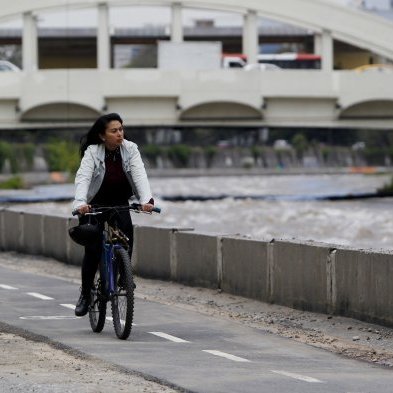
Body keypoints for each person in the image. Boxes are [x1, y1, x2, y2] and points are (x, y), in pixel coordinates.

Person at [72, 113, 154, 316]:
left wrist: (146, 200)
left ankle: (124, 276)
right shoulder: (92, 151)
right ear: (102, 135)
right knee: (92, 249)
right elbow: (83, 177)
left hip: (119, 202)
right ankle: (85, 293)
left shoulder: (130, 149)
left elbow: (139, 173)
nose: (120, 134)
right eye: (114, 131)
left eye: (121, 129)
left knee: (126, 232)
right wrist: (81, 202)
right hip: (93, 205)